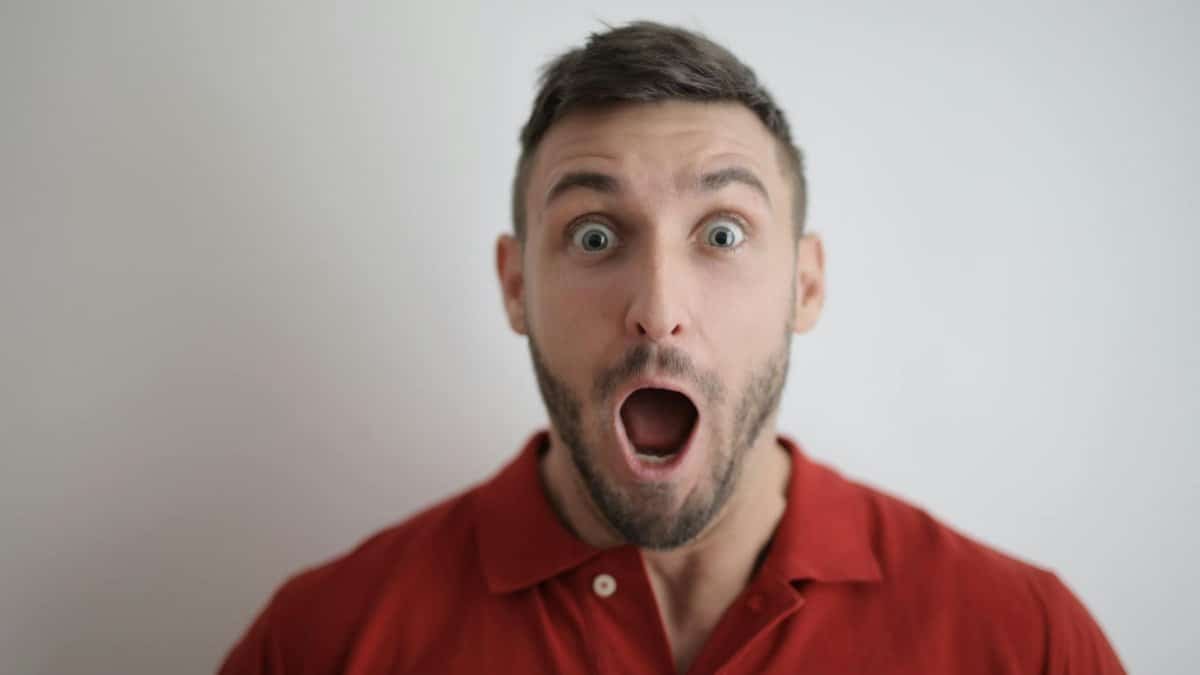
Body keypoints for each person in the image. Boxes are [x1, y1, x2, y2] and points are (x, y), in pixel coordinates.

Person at [218, 21, 1126, 674]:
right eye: (596, 236)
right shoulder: (319, 642)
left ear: (805, 284)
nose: (657, 310)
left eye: (723, 233)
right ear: (514, 285)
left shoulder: (1025, 640)